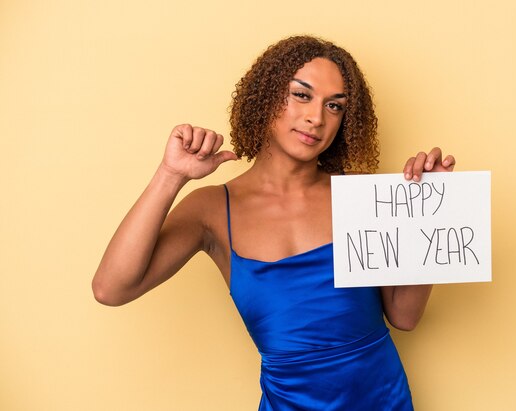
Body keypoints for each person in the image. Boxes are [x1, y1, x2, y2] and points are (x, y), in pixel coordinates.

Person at [92, 35, 455, 410]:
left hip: (382, 400)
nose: (317, 118)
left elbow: (405, 316)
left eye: (334, 106)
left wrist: (427, 213)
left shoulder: (363, 194)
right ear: (265, 97)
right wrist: (171, 174)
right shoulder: (212, 209)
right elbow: (111, 289)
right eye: (301, 95)